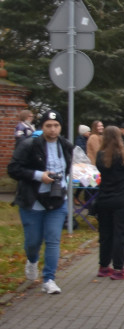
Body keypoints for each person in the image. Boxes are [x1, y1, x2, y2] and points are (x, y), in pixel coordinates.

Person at [7, 110, 73, 294]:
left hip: (57, 201)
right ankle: (32, 259)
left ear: (61, 127)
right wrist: (38, 176)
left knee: (53, 240)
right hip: (33, 200)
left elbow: (67, 170)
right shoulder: (28, 145)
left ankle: (49, 279)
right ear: (42, 127)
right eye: (48, 126)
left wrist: (64, 184)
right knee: (33, 241)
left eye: (56, 126)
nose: (52, 129)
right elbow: (13, 169)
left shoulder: (66, 146)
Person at [94, 126, 124, 280]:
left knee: (106, 235)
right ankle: (119, 269)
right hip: (122, 200)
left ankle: (104, 266)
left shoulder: (100, 156)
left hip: (104, 200)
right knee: (120, 235)